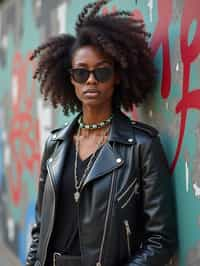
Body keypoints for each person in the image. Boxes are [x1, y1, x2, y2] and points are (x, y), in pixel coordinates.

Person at [26, 1, 177, 266]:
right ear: (71, 79)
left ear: (117, 75)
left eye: (102, 71)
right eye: (81, 73)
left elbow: (160, 239)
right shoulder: (55, 143)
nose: (91, 80)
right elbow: (40, 229)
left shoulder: (142, 146)